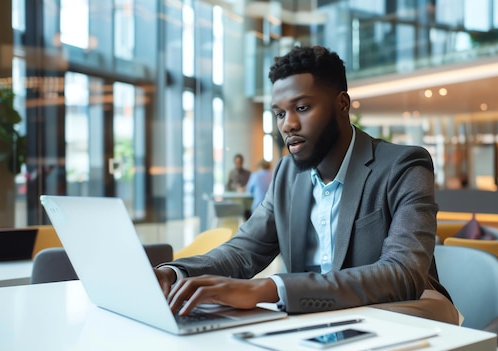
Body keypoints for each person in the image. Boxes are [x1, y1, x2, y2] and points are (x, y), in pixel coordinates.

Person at [155, 45, 458, 324]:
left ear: (342, 104)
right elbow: (244, 250)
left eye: (301, 108)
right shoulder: (287, 172)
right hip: (314, 323)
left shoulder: (403, 165)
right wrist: (175, 271)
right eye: (279, 113)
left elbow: (401, 274)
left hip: (400, 317)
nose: (288, 124)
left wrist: (271, 288)